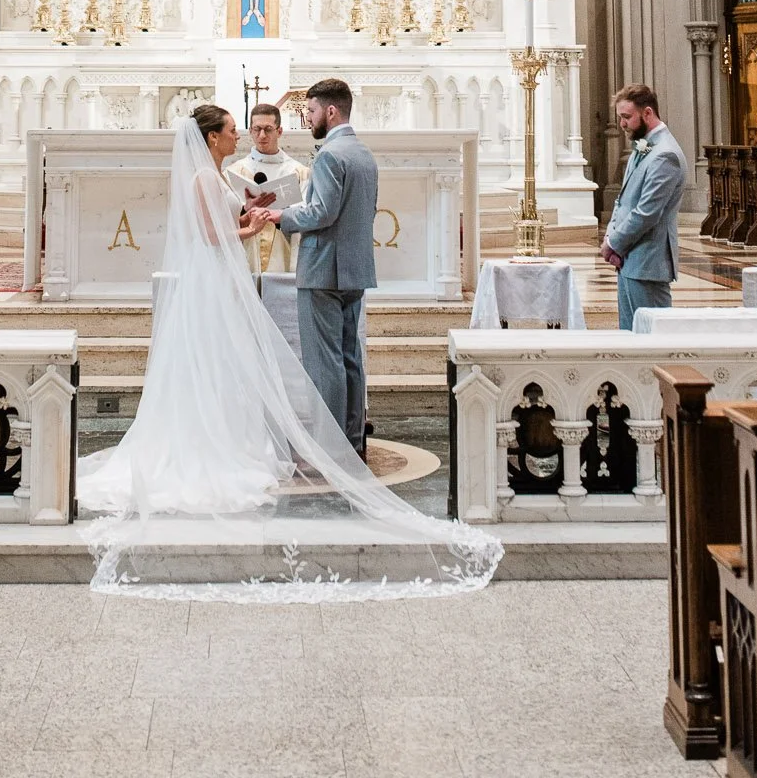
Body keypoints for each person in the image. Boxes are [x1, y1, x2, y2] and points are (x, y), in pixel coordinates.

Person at [77, 104, 498, 598]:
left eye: (249, 129)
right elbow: (210, 236)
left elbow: (232, 223)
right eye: (232, 130)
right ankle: (229, 446)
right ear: (211, 138)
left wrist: (256, 216)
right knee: (221, 364)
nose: (241, 136)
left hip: (225, 281)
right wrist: (255, 227)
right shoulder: (207, 178)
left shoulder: (221, 174)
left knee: (228, 367)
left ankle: (242, 440)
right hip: (215, 284)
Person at [267, 78, 378, 454]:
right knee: (349, 357)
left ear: (331, 111)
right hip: (354, 268)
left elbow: (322, 212)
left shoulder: (330, 155)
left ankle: (329, 447)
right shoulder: (363, 153)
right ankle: (352, 440)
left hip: (323, 269)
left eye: (311, 111)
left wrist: (282, 216)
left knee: (324, 362)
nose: (308, 118)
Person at [601, 84, 689, 330]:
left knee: (653, 338)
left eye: (627, 117)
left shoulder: (665, 154)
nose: (622, 124)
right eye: (620, 117)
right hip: (629, 260)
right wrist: (610, 236)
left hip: (649, 262)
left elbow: (646, 213)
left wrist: (613, 243)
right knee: (630, 337)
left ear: (647, 113)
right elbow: (623, 201)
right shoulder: (644, 146)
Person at [225, 103, 309, 274]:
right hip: (245, 251)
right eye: (257, 129)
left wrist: (283, 213)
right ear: (250, 131)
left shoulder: (299, 172)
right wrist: (245, 210)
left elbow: (306, 215)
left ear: (279, 131)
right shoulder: (235, 171)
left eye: (268, 129)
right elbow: (224, 219)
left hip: (283, 250)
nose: (262, 135)